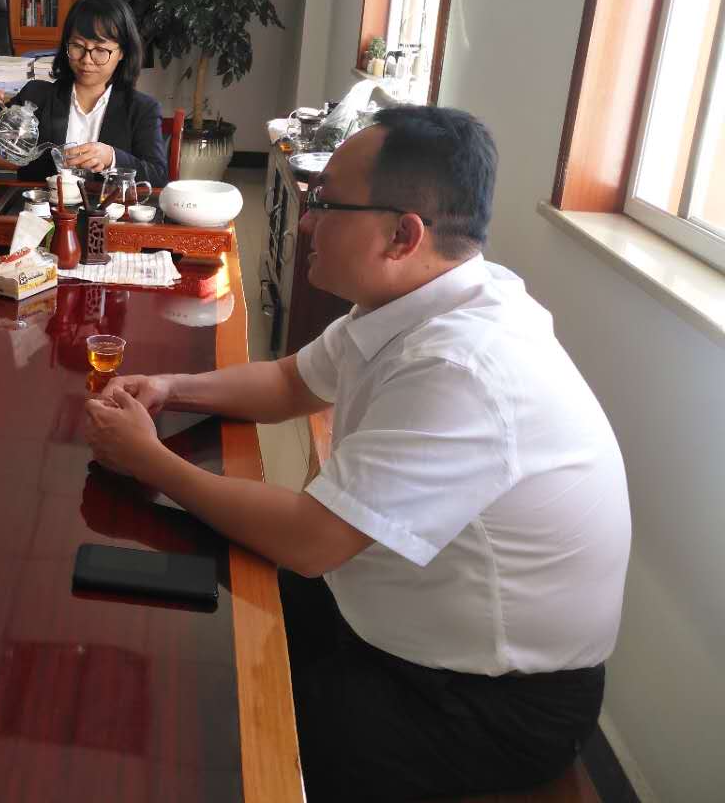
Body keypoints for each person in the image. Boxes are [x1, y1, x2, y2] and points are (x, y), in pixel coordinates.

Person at [81, 106, 631, 801]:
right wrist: (171, 387)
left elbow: (311, 541)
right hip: (391, 611)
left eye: (327, 203)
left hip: (488, 700)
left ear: (403, 235)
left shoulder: (465, 366)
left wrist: (150, 460)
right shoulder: (418, 298)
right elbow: (291, 382)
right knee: (200, 601)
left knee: (222, 739)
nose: (306, 221)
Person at [0, 0, 168, 186]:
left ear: (122, 52)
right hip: (42, 208)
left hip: (107, 210)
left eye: (100, 50)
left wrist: (111, 157)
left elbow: (158, 176)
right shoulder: (36, 95)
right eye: (78, 46)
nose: (87, 59)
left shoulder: (142, 109)